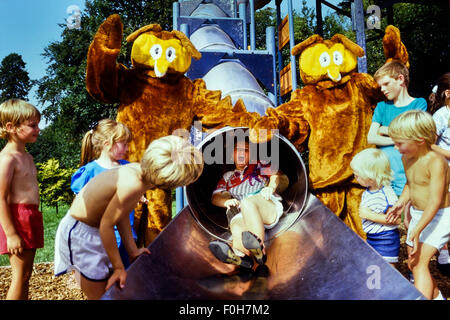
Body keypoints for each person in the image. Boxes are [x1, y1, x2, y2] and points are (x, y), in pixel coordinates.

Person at [54, 135, 203, 299]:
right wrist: (119, 267)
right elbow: (107, 225)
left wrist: (132, 250)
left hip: (93, 230)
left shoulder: (137, 171)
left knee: (108, 290)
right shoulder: (133, 184)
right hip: (81, 234)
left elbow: (121, 215)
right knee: (100, 296)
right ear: (168, 182)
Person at [386, 110, 450, 300]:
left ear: (420, 140)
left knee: (420, 263)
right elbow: (411, 183)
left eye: (399, 143)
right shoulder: (406, 157)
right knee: (413, 263)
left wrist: (417, 230)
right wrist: (400, 203)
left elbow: (435, 201)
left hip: (441, 215)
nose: (396, 148)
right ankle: (436, 297)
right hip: (418, 213)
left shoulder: (436, 162)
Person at [208, 136, 286, 269]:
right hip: (243, 212)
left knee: (247, 203)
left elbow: (275, 175)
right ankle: (241, 256)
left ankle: (259, 249)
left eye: (246, 150)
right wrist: (226, 202)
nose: (241, 153)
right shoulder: (228, 177)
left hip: (265, 205)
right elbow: (215, 198)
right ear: (232, 154)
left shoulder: (258, 166)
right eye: (238, 150)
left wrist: (271, 188)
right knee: (236, 223)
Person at [71, 119, 137, 268]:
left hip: (126, 233)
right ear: (108, 144)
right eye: (124, 143)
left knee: (125, 275)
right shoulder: (89, 172)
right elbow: (80, 204)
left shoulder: (127, 167)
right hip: (99, 237)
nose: (127, 148)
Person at [0, 99, 43, 300]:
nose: (38, 129)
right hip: (16, 219)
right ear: (11, 127)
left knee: (26, 276)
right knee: (19, 276)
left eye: (37, 124)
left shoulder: (27, 157)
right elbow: (0, 198)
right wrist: (11, 234)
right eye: (32, 125)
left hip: (31, 216)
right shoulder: (7, 159)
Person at [368, 61, 427, 197]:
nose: (382, 89)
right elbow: (371, 137)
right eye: (380, 85)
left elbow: (414, 135)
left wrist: (383, 130)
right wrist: (400, 138)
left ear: (400, 79)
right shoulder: (381, 107)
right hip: (384, 176)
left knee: (407, 216)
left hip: (408, 174)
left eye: (386, 84)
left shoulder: (419, 103)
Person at [350, 148, 400, 265]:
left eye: (358, 176)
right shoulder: (369, 190)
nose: (355, 177)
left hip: (385, 239)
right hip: (372, 237)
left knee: (387, 269)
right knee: (374, 266)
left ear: (371, 178)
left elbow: (396, 220)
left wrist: (370, 215)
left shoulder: (387, 194)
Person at [428, 72, 450, 276]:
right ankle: (443, 256)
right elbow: (428, 145)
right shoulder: (441, 116)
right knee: (444, 213)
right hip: (446, 172)